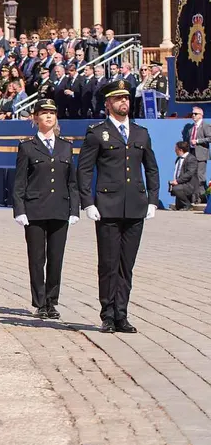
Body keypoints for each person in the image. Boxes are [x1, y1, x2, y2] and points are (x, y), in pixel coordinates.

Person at [77, 80, 159, 334]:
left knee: (127, 264)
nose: (124, 102)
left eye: (126, 98)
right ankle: (108, 314)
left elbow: (151, 168)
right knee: (109, 263)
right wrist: (88, 202)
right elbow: (84, 169)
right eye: (118, 99)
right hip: (108, 206)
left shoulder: (140, 133)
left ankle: (122, 314)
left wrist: (153, 200)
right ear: (108, 104)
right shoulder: (96, 132)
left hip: (135, 205)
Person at [12, 99, 79, 319]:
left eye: (52, 113)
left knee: (56, 257)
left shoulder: (66, 146)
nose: (48, 116)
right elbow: (20, 181)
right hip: (35, 208)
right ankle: (39, 302)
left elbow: (72, 181)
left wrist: (74, 209)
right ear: (35, 118)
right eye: (43, 113)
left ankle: (52, 301)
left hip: (59, 207)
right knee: (37, 258)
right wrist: (19, 209)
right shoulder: (27, 146)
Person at [182, 107, 210, 193]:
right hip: (192, 153)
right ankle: (195, 195)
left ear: (201, 115)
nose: (193, 115)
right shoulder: (191, 128)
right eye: (192, 114)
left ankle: (203, 196)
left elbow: (210, 138)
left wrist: (197, 141)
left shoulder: (205, 126)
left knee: (200, 176)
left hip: (201, 154)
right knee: (192, 175)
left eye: (195, 114)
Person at [170, 140, 200, 210]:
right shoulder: (178, 159)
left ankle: (187, 205)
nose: (175, 151)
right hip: (181, 183)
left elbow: (189, 173)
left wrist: (178, 181)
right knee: (173, 188)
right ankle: (181, 205)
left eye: (176, 149)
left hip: (190, 185)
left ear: (180, 150)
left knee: (176, 189)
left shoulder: (191, 159)